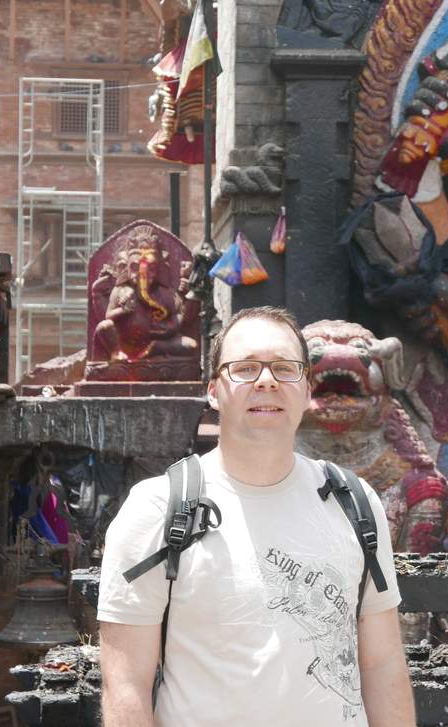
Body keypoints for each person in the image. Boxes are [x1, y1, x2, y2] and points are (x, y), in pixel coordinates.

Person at [97, 306, 416, 727]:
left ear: (306, 389)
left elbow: (383, 666)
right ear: (214, 391)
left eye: (285, 369)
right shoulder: (157, 510)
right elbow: (125, 685)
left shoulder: (355, 502)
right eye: (245, 368)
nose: (266, 381)